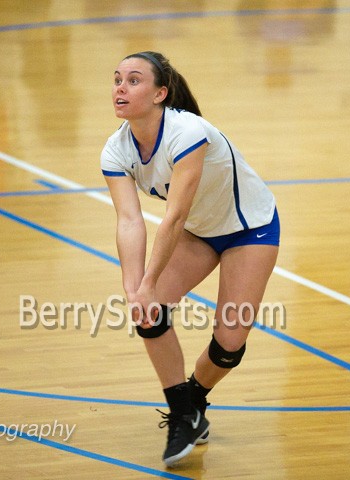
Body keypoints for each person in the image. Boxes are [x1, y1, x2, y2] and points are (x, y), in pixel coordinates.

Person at [101, 51, 279, 467]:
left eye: (133, 80)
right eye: (116, 79)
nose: (120, 88)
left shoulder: (188, 132)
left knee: (229, 343)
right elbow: (129, 221)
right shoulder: (115, 151)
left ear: (161, 93)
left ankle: (195, 399)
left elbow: (175, 215)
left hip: (248, 229)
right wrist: (134, 288)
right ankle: (182, 412)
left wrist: (148, 283)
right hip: (200, 233)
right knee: (148, 312)